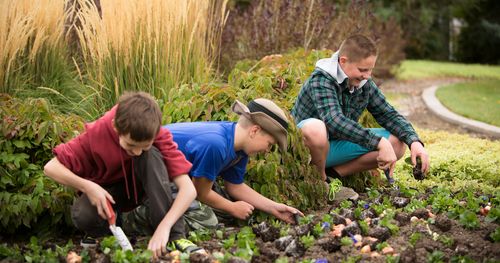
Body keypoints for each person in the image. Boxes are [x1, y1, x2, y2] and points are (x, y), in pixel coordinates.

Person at [43, 92, 198, 258]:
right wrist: (87, 187)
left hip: (143, 187)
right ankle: (109, 231)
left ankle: (175, 237)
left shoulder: (153, 131)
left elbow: (189, 190)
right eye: (130, 145)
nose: (137, 152)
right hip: (108, 193)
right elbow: (50, 167)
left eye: (144, 145)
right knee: (82, 215)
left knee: (150, 155)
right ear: (116, 128)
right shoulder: (96, 134)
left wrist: (165, 227)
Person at [127, 98, 303, 229]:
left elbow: (235, 187)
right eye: (269, 144)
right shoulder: (216, 144)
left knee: (228, 207)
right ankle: (131, 218)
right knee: (208, 220)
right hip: (144, 180)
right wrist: (232, 208)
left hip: (181, 182)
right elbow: (201, 192)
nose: (267, 150)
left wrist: (275, 208)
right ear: (254, 131)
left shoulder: (239, 148)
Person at [291, 34, 430, 183]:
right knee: (315, 128)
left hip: (334, 147)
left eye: (370, 70)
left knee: (397, 142)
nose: (367, 76)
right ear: (343, 61)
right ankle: (318, 181)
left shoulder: (364, 83)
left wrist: (414, 141)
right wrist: (379, 142)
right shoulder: (321, 80)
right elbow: (334, 121)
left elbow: (388, 114)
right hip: (305, 149)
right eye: (363, 70)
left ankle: (334, 175)